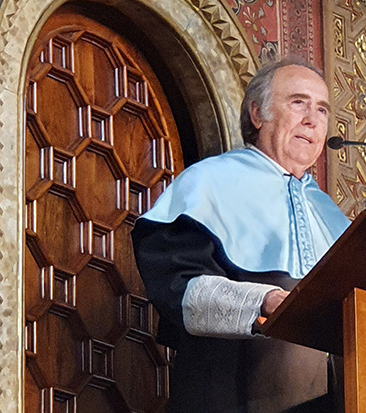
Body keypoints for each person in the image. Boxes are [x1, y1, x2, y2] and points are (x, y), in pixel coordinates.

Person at [132, 59, 350, 412]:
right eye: (298, 102)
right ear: (257, 114)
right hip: (229, 393)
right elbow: (176, 288)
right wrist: (263, 301)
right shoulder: (209, 183)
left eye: (322, 109)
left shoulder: (333, 216)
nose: (312, 119)